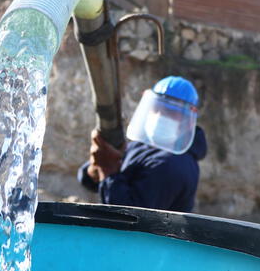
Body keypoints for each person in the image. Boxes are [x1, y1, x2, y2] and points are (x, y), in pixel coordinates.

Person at [77, 76, 207, 213]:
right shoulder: (141, 145)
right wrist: (94, 167)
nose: (160, 115)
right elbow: (89, 181)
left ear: (188, 121)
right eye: (156, 108)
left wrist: (107, 171)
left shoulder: (175, 165)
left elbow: (128, 218)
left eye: (170, 112)